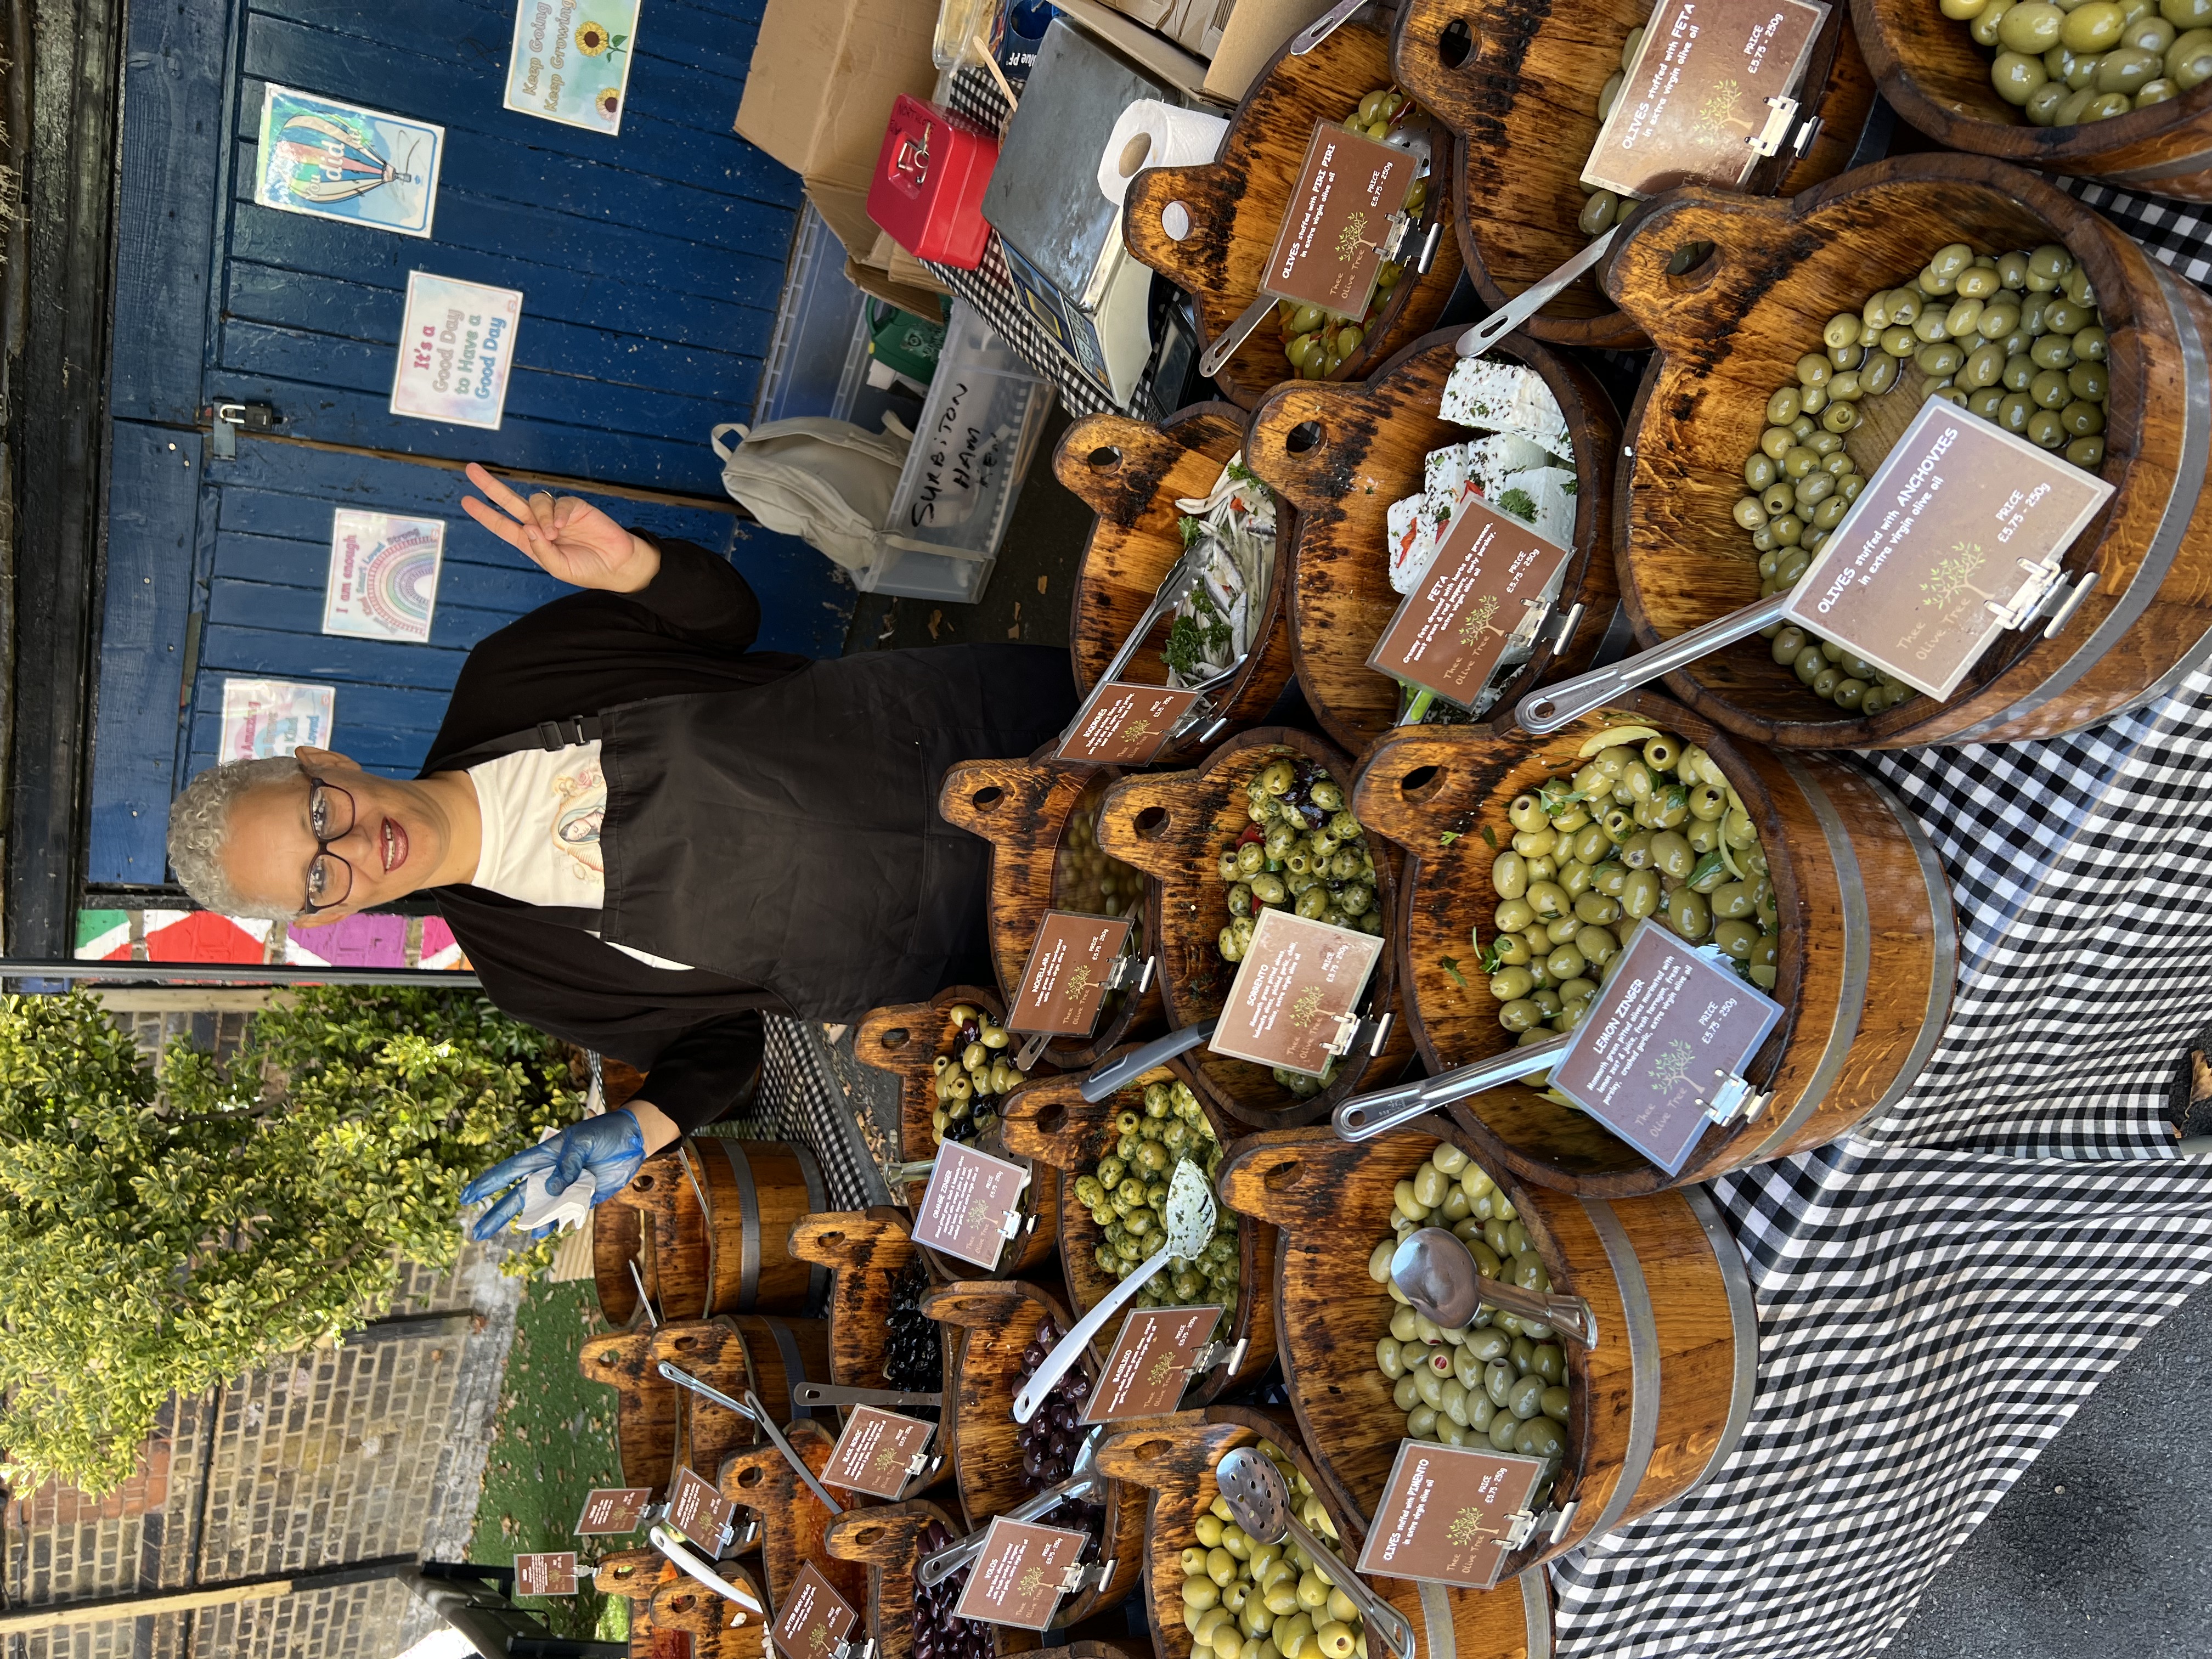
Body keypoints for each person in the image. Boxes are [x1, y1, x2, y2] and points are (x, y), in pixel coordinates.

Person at [167, 466, 1079, 1233]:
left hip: (977, 730)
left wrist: (638, 569)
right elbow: (721, 1043)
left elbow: (726, 620)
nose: (359, 845)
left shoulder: (509, 679)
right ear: (334, 912)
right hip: (982, 946)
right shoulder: (529, 974)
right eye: (322, 877)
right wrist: (642, 1124)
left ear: (324, 759)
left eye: (321, 813)